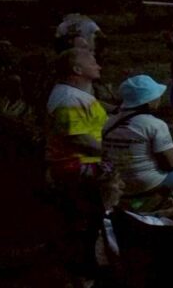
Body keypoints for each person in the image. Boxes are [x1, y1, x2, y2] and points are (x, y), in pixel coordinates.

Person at [47, 48, 110, 274]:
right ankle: (86, 266)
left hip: (82, 164)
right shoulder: (69, 99)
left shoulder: (74, 94)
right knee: (89, 220)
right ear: (77, 69)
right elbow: (79, 138)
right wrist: (113, 151)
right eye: (92, 62)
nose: (98, 66)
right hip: (78, 166)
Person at [103, 75, 173, 198]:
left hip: (119, 180)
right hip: (146, 182)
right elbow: (170, 164)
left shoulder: (109, 122)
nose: (159, 98)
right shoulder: (154, 124)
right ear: (148, 100)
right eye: (157, 95)